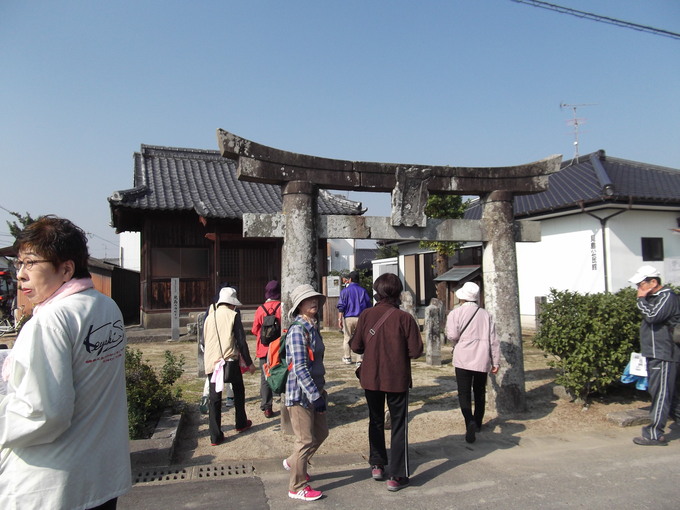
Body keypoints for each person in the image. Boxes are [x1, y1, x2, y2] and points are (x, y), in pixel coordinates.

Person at [0, 216, 131, 509]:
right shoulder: (106, 306)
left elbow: (45, 414)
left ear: (66, 269)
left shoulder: (49, 321)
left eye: (31, 263)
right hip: (100, 476)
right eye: (19, 263)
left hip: (51, 486)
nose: (21, 274)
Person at [350, 272, 423, 492]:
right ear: (398, 292)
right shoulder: (405, 318)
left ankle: (377, 463)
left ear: (377, 291)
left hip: (371, 376)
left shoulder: (366, 315)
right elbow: (416, 351)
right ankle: (397, 475)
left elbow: (356, 347)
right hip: (397, 377)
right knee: (399, 425)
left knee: (375, 420)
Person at [283, 284, 328, 501]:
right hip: (300, 394)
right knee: (305, 440)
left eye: (316, 299)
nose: (314, 302)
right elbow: (300, 367)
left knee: (321, 434)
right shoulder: (298, 330)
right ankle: (297, 486)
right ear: (299, 305)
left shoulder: (312, 326)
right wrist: (315, 395)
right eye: (309, 300)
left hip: (316, 390)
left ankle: (293, 462)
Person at [628, 265, 680, 446]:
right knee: (670, 394)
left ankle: (654, 434)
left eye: (641, 284)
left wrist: (641, 299)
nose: (638, 289)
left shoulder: (667, 297)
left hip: (664, 353)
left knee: (661, 394)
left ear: (653, 282)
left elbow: (652, 316)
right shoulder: (658, 298)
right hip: (656, 353)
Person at [445, 281, 500, 445]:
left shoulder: (455, 313)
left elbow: (452, 336)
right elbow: (494, 340)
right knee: (479, 391)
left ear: (462, 297)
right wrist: (495, 360)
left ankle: (468, 420)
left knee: (464, 392)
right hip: (482, 356)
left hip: (463, 357)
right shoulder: (486, 314)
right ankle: (478, 423)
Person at [203, 286, 256, 446]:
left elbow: (203, 341)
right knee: (238, 389)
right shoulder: (233, 315)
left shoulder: (209, 317)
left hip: (212, 362)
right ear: (232, 303)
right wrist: (249, 363)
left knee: (214, 398)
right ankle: (240, 423)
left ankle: (215, 436)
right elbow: (241, 341)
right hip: (229, 361)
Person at [251, 279, 282, 418]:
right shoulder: (282, 307)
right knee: (282, 373)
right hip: (279, 348)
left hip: (263, 348)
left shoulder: (260, 309)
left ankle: (267, 406)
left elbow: (254, 330)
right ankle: (284, 401)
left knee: (265, 377)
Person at [337, 270, 372, 366]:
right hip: (361, 318)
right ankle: (359, 360)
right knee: (360, 338)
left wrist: (339, 319)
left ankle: (347, 357)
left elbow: (341, 306)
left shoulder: (344, 291)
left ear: (350, 279)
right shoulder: (363, 291)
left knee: (347, 338)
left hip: (348, 317)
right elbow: (369, 305)